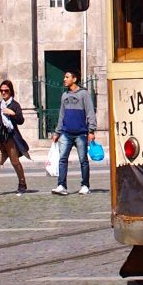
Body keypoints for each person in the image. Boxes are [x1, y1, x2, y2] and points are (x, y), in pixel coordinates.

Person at [51, 69, 98, 197]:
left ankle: (85, 185)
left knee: (83, 160)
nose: (64, 79)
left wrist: (91, 130)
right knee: (62, 159)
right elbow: (61, 115)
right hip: (66, 133)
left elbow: (90, 112)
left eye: (67, 77)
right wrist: (57, 132)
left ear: (74, 79)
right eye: (64, 77)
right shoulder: (64, 95)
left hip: (81, 133)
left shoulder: (84, 94)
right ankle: (61, 185)